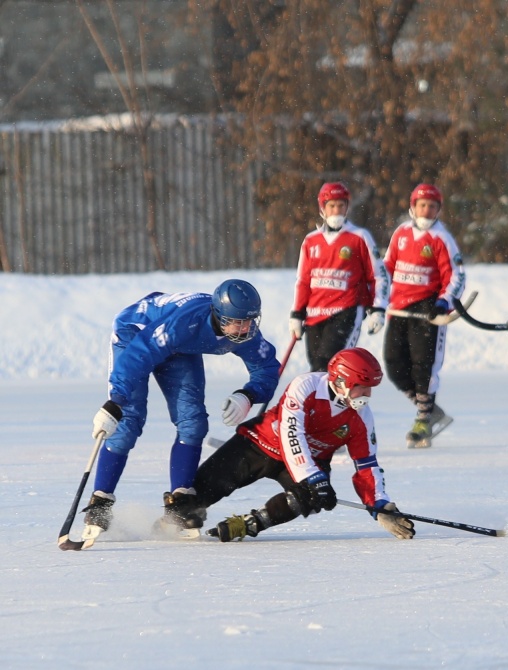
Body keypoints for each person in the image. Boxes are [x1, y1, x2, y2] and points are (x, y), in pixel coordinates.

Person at [86, 280, 281, 538]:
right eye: (238, 322)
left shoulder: (244, 332)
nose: (245, 329)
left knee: (193, 422)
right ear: (219, 316)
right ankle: (100, 501)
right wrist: (115, 401)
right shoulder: (184, 323)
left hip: (181, 345)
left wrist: (248, 394)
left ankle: (181, 500)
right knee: (128, 421)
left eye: (250, 321)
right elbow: (140, 355)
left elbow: (267, 367)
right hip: (136, 334)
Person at [194, 348, 415, 541]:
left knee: (310, 497)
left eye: (370, 388)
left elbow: (367, 465)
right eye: (363, 387)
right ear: (342, 381)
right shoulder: (306, 386)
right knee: (197, 496)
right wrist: (314, 478)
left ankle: (250, 524)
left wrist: (379, 505)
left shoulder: (362, 417)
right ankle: (181, 515)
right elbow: (292, 435)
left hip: (311, 459)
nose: (368, 395)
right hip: (260, 443)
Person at [382, 183, 466, 448]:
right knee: (394, 365)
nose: (426, 210)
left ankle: (423, 419)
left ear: (438, 210)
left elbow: (456, 275)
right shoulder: (401, 233)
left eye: (432, 206)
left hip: (427, 310)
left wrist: (443, 302)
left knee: (423, 366)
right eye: (422, 205)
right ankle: (431, 411)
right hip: (398, 308)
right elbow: (387, 267)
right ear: (413, 206)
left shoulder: (442, 239)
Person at [289, 181, 391, 372]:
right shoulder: (311, 241)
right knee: (317, 368)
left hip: (346, 311)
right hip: (315, 315)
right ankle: (326, 402)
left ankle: (338, 401)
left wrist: (378, 308)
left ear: (347, 207)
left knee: (330, 364)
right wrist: (297, 313)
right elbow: (303, 281)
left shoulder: (359, 237)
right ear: (323, 208)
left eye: (341, 205)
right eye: (331, 206)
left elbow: (378, 276)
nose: (336, 210)